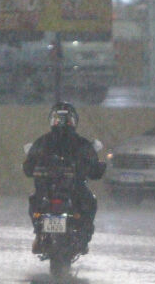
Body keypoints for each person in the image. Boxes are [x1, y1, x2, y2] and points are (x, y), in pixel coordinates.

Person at [23, 101, 105, 254]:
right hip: (61, 191)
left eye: (65, 119)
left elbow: (28, 168)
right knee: (90, 202)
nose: (62, 123)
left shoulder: (44, 141)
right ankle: (41, 234)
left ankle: (42, 234)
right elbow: (28, 168)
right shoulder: (80, 143)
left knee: (35, 200)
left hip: (56, 191)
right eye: (59, 119)